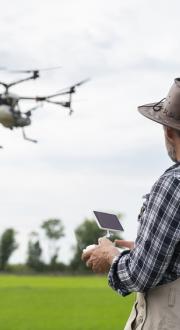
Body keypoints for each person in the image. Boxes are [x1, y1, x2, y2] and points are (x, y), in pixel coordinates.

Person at [82, 78, 180, 330]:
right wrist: (145, 249)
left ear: (169, 131)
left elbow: (141, 274)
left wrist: (110, 256)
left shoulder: (173, 183)